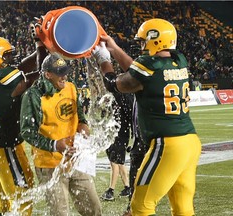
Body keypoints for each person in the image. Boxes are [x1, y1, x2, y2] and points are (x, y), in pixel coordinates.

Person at [92, 18, 202, 216]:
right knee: (183, 208)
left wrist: (103, 59)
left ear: (156, 40)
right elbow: (138, 71)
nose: (142, 46)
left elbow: (113, 83)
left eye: (143, 41)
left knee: (141, 206)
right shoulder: (179, 60)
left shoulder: (148, 67)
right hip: (190, 142)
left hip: (168, 144)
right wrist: (115, 48)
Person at [20, 53, 102, 216]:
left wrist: (83, 126)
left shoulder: (71, 88)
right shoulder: (34, 96)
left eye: (65, 71)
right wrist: (55, 145)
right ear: (47, 74)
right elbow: (27, 132)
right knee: (60, 213)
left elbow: (80, 114)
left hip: (75, 160)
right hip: (50, 165)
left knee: (94, 209)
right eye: (59, 73)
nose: (64, 76)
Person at [0, 36, 47, 216]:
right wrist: (40, 45)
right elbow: (42, 72)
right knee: (23, 192)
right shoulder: (3, 77)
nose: (10, 59)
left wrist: (44, 46)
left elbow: (20, 68)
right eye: (6, 56)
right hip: (5, 147)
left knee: (5, 205)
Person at [101, 92, 132, 201]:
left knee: (114, 162)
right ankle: (127, 187)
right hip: (115, 133)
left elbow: (128, 115)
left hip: (118, 133)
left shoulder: (123, 97)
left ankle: (111, 190)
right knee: (118, 162)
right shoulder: (119, 96)